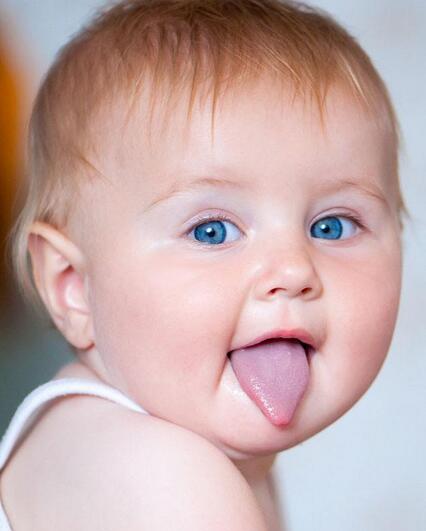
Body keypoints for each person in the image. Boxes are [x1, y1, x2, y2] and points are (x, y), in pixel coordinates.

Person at [0, 1, 407, 529]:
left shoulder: (178, 451)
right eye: (211, 231)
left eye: (331, 226)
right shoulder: (158, 473)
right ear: (73, 286)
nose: (292, 270)